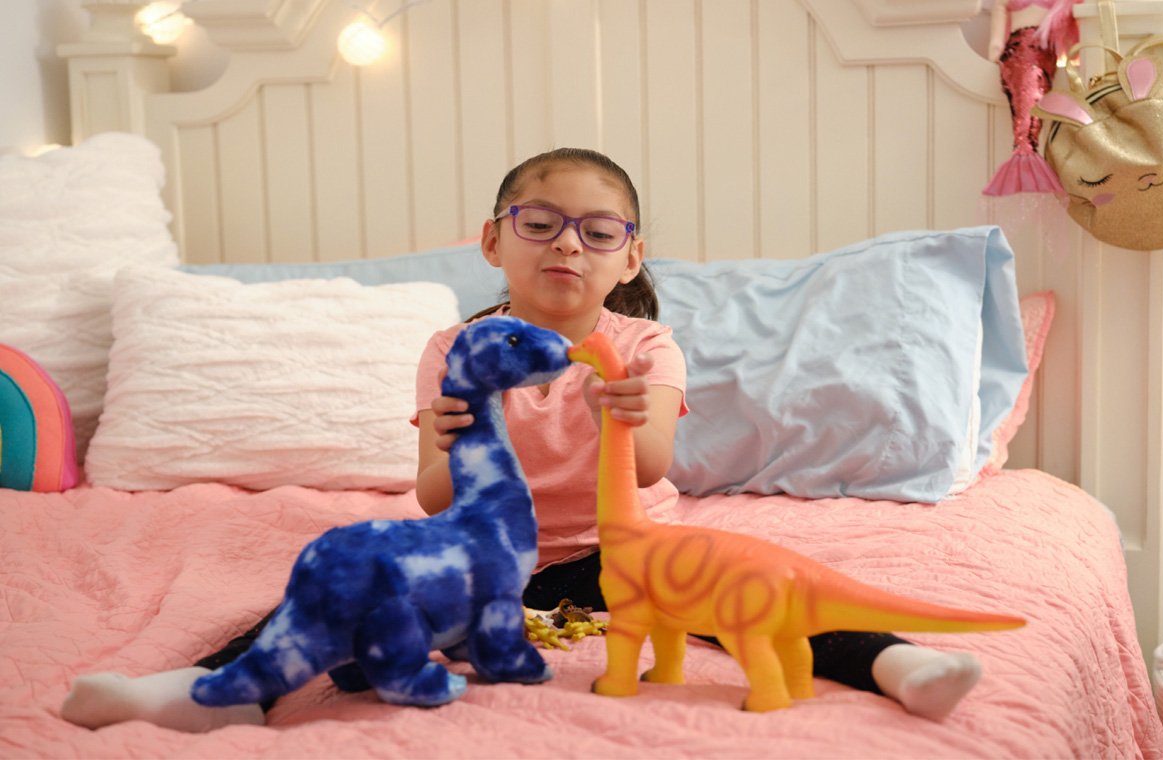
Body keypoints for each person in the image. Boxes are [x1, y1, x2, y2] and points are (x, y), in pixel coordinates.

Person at [60, 148, 982, 733]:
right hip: (484, 559)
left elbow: (657, 466)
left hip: (617, 554)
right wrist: (450, 445)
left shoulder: (643, 345)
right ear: (495, 242)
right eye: (539, 225)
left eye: (597, 232)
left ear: (631, 256)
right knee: (340, 582)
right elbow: (429, 498)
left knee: (747, 594)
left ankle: (900, 663)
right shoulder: (456, 351)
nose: (566, 247)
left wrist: (620, 416)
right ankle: (208, 690)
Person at [982, 0, 1081, 196]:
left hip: (1042, 53)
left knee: (1030, 116)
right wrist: (995, 44)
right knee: (1024, 117)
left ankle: (1026, 156)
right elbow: (1000, 9)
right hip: (1017, 49)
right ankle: (1025, 155)